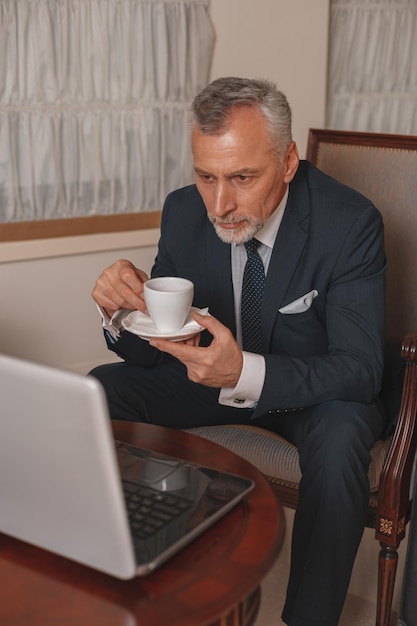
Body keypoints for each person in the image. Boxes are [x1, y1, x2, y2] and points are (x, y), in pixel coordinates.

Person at [91, 77, 387, 626]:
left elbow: (361, 370)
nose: (221, 203)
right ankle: (136, 580)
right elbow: (159, 350)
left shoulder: (350, 223)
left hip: (317, 397)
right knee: (96, 391)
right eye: (207, 176)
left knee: (344, 437)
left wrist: (245, 370)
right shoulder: (183, 210)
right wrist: (117, 309)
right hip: (214, 383)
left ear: (289, 161)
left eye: (242, 177)